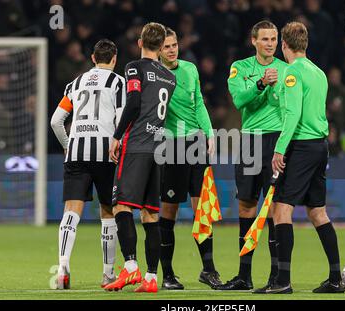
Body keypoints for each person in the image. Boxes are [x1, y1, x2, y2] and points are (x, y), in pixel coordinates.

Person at [270, 22, 345, 294]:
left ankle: (282, 281)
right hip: (320, 146)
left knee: (281, 209)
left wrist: (280, 149)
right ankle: (336, 278)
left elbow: (293, 114)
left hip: (301, 146)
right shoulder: (319, 73)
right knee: (317, 212)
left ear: (284, 45)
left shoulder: (292, 73)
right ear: (305, 44)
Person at [104, 22, 176, 293]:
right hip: (158, 149)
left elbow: (134, 102)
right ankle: (151, 278)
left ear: (140, 42)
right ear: (161, 46)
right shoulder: (170, 77)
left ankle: (131, 267)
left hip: (136, 146)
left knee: (121, 207)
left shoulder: (134, 67)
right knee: (150, 215)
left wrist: (117, 135)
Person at [217, 20, 288, 292]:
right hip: (249, 140)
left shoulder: (286, 70)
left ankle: (275, 276)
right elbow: (239, 100)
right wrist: (260, 82)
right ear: (254, 41)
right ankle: (244, 276)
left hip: (275, 140)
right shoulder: (241, 68)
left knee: (272, 207)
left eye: (274, 39)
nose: (270, 43)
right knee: (246, 205)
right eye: (265, 39)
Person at [50, 39, 125, 289]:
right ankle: (108, 274)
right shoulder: (118, 82)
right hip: (106, 154)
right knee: (108, 213)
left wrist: (67, 144)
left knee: (71, 211)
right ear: (114, 59)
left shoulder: (75, 83)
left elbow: (56, 121)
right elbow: (121, 118)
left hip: (77, 153)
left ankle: (62, 268)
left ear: (93, 58)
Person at [158, 27, 222, 290]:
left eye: (174, 45)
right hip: (171, 146)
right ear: (158, 50)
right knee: (169, 210)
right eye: (167, 46)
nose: (172, 50)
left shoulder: (190, 69)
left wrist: (209, 133)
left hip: (195, 143)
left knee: (202, 209)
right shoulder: (155, 74)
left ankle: (208, 269)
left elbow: (199, 105)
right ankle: (168, 274)